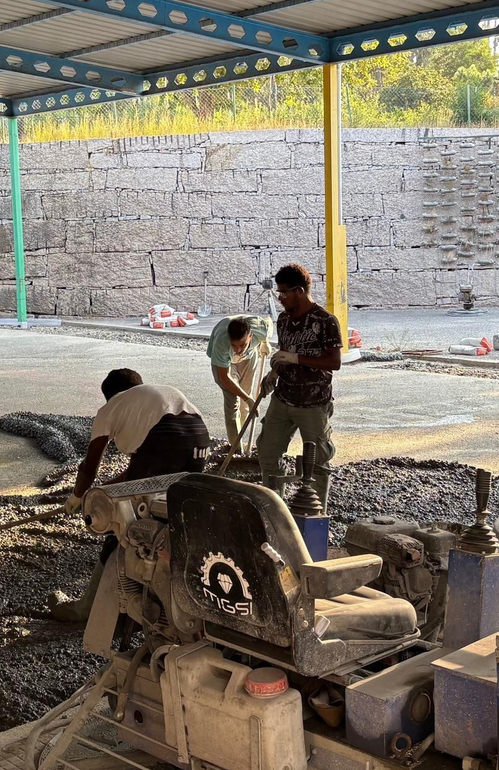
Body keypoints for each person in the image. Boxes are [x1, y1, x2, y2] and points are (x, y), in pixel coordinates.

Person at [51, 368, 210, 622]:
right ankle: (181, 597)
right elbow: (138, 476)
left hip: (163, 439)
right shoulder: (154, 398)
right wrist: (99, 493)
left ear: (110, 395)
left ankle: (87, 608)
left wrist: (77, 498)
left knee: (124, 526)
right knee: (171, 519)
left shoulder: (113, 406)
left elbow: (89, 466)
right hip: (199, 439)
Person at [257, 263, 344, 505]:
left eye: (284, 293)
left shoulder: (325, 321)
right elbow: (284, 352)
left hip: (313, 402)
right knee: (267, 453)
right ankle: (275, 509)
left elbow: (334, 362)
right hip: (283, 398)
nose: (280, 298)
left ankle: (315, 514)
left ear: (300, 291)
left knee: (317, 462)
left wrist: (296, 358)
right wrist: (274, 372)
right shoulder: (284, 319)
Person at [207, 314, 272, 451]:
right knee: (233, 403)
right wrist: (248, 399)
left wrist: (265, 342)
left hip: (248, 358)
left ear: (251, 336)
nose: (238, 350)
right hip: (225, 364)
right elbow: (224, 378)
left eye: (242, 344)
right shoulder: (222, 343)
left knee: (246, 400)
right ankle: (236, 448)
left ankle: (242, 435)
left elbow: (269, 322)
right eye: (234, 345)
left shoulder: (260, 329)